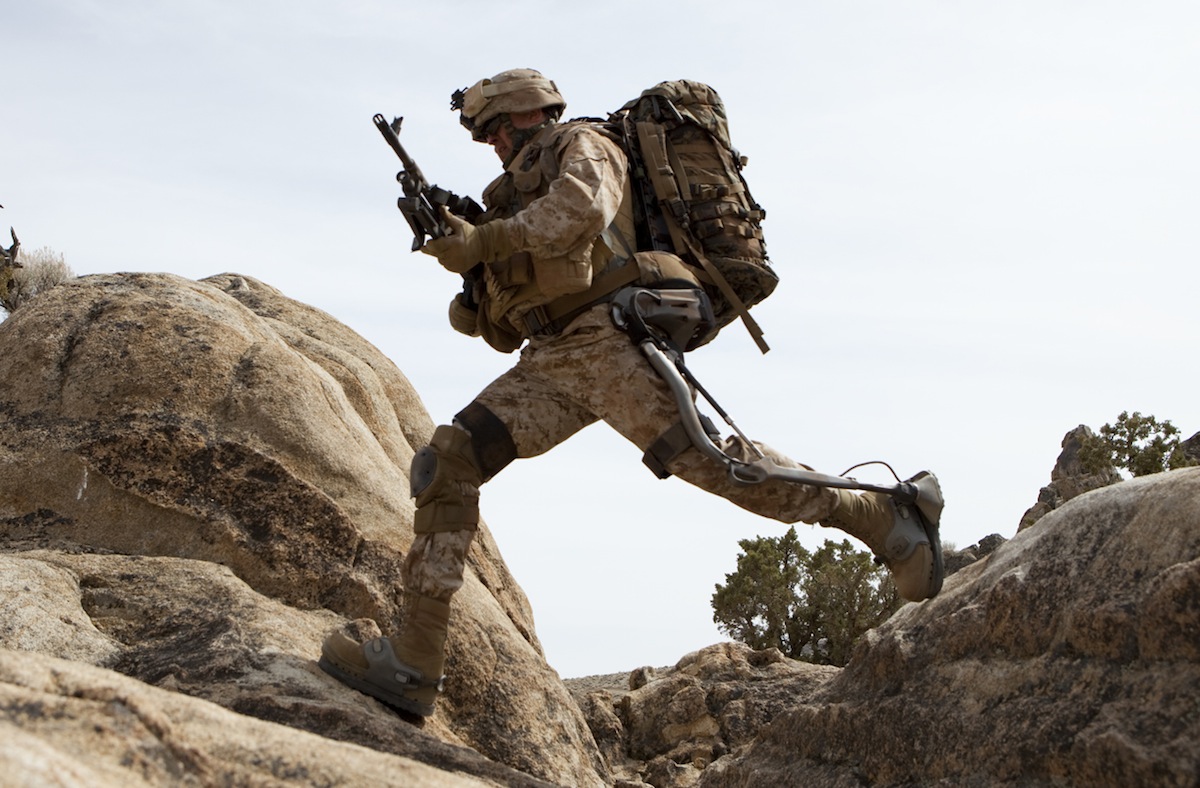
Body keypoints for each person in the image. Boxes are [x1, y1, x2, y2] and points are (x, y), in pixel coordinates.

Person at [319, 68, 944, 718]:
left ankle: (886, 515)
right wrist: (475, 274)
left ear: (523, 117)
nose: (494, 148)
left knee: (721, 465)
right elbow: (505, 330)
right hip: (556, 359)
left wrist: (486, 241)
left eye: (495, 132)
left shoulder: (583, 145)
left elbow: (581, 211)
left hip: (609, 341)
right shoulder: (512, 196)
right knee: (449, 462)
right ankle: (414, 663)